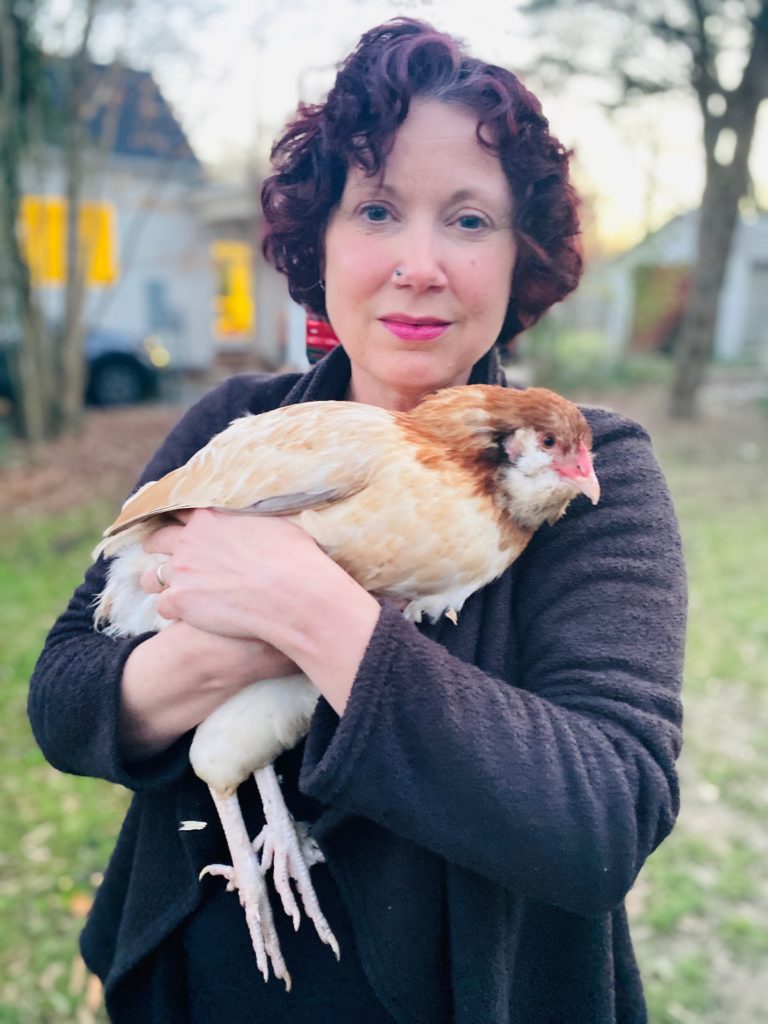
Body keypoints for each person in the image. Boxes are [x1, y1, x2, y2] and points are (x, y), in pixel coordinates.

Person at [28, 18, 686, 1024]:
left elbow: (602, 818)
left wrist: (311, 610)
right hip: (196, 979)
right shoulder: (242, 424)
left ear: (520, 259)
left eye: (469, 221)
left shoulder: (590, 473)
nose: (419, 264)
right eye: (376, 210)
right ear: (321, 240)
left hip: (483, 992)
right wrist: (225, 647)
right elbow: (68, 695)